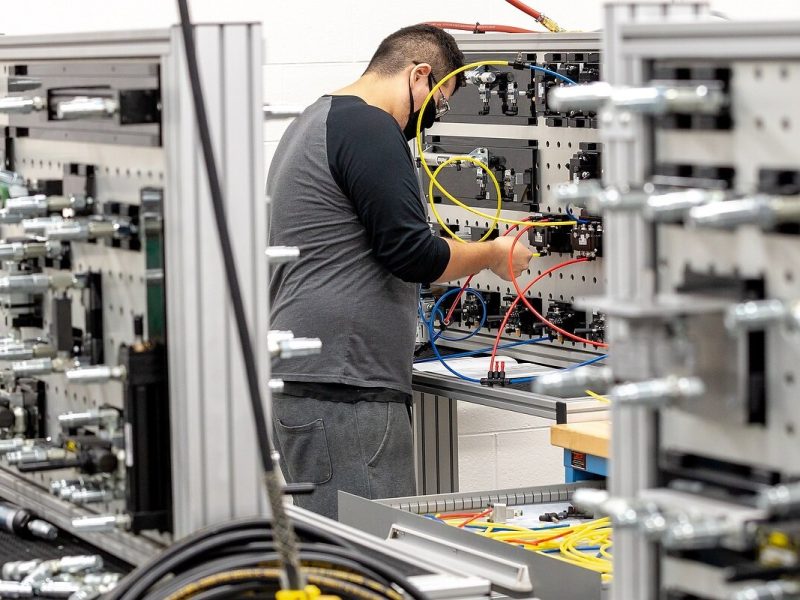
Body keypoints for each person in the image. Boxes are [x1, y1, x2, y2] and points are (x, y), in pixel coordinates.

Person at [267, 24, 533, 519]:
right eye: (441, 101)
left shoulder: (315, 119)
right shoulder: (369, 128)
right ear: (420, 76)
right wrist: (495, 253)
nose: (435, 117)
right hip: (346, 389)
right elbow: (412, 254)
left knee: (338, 556)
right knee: (374, 558)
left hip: (317, 380)